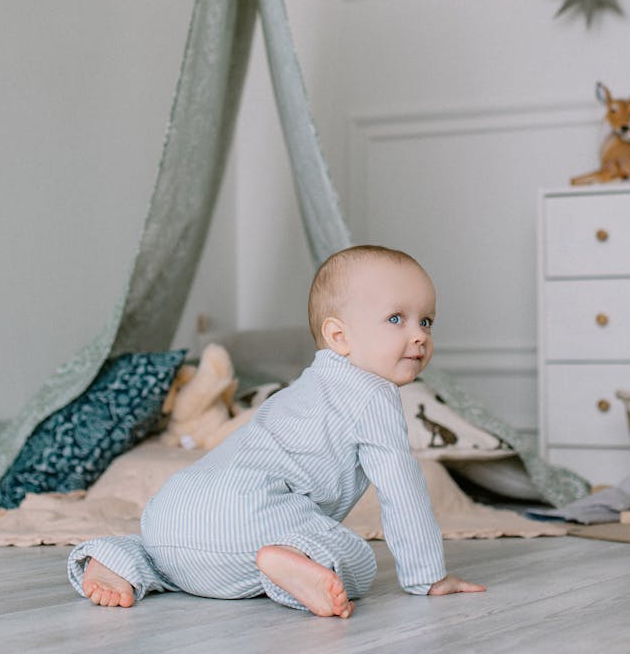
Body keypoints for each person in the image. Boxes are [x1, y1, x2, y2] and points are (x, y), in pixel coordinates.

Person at [67, 245, 485, 617]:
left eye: (426, 321)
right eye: (397, 318)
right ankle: (288, 559)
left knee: (173, 553)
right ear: (338, 335)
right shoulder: (373, 395)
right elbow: (402, 490)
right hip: (250, 520)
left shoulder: (298, 391)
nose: (418, 336)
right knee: (357, 558)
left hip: (169, 512)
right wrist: (428, 575)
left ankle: (118, 559)